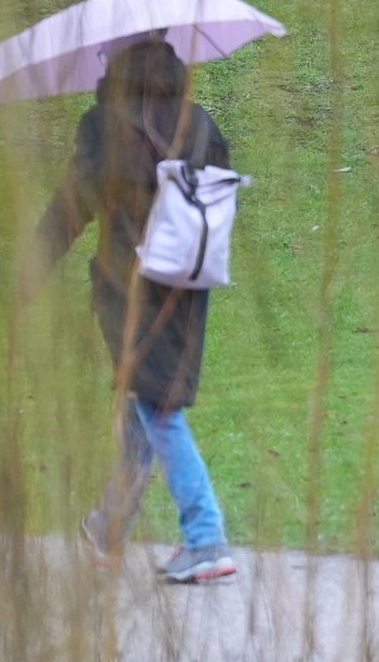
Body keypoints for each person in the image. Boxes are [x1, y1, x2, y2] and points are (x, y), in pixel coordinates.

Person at [24, 37, 238, 584]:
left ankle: (206, 534)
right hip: (189, 284)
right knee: (143, 394)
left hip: (130, 284)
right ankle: (110, 526)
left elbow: (74, 203)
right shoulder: (200, 122)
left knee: (158, 406)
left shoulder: (106, 125)